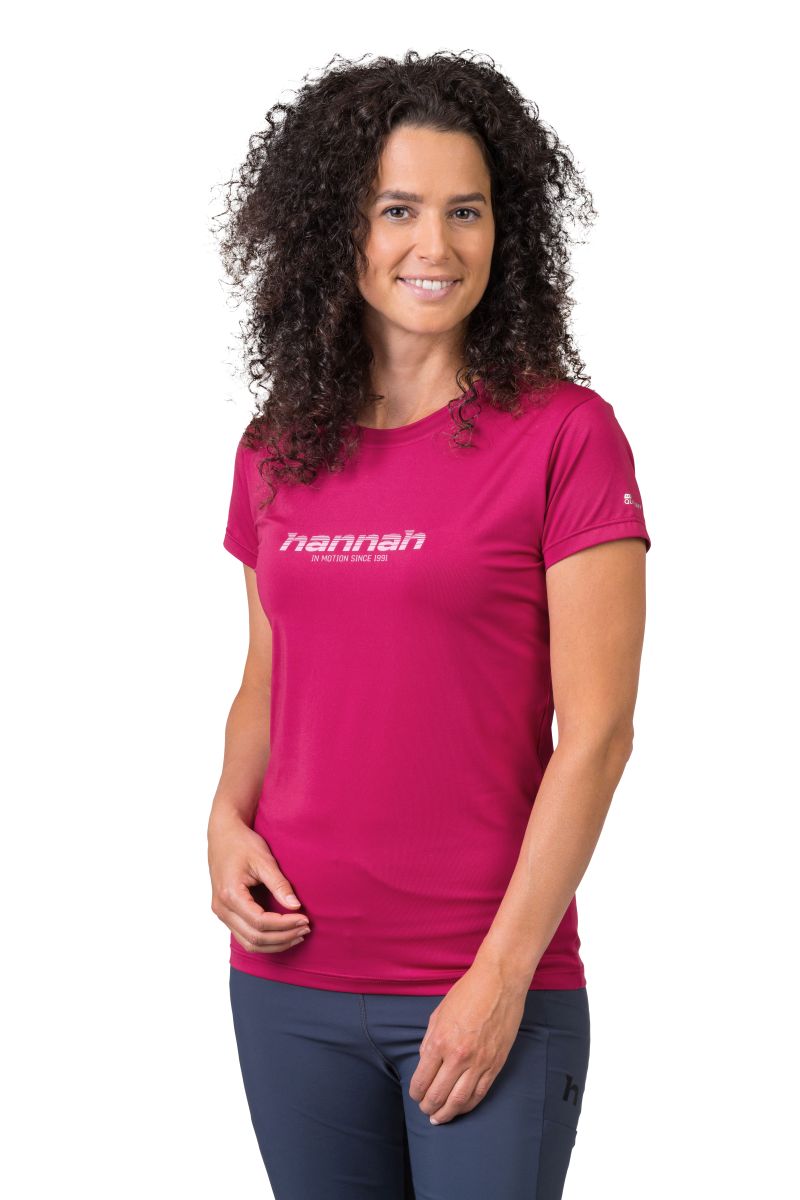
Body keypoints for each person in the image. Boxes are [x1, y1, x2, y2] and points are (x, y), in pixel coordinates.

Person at [207, 50, 652, 1200]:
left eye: (466, 211)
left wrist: (499, 977)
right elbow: (268, 679)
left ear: (506, 228)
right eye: (397, 209)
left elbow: (597, 735)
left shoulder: (564, 436)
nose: (435, 246)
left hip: (484, 981)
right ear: (338, 229)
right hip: (289, 980)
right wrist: (223, 817)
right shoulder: (276, 447)